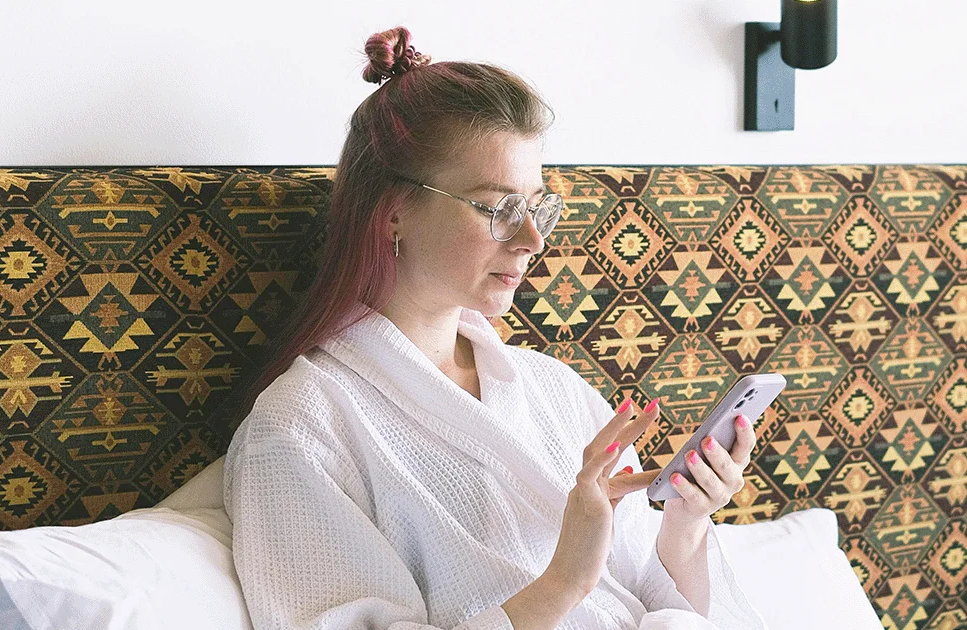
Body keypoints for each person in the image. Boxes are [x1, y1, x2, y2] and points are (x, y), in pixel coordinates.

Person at [223, 26, 768, 630]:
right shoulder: (302, 424)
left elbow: (653, 593)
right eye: (499, 208)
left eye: (536, 207)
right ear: (394, 212)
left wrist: (686, 523)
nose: (533, 239)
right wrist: (563, 583)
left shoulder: (553, 389)